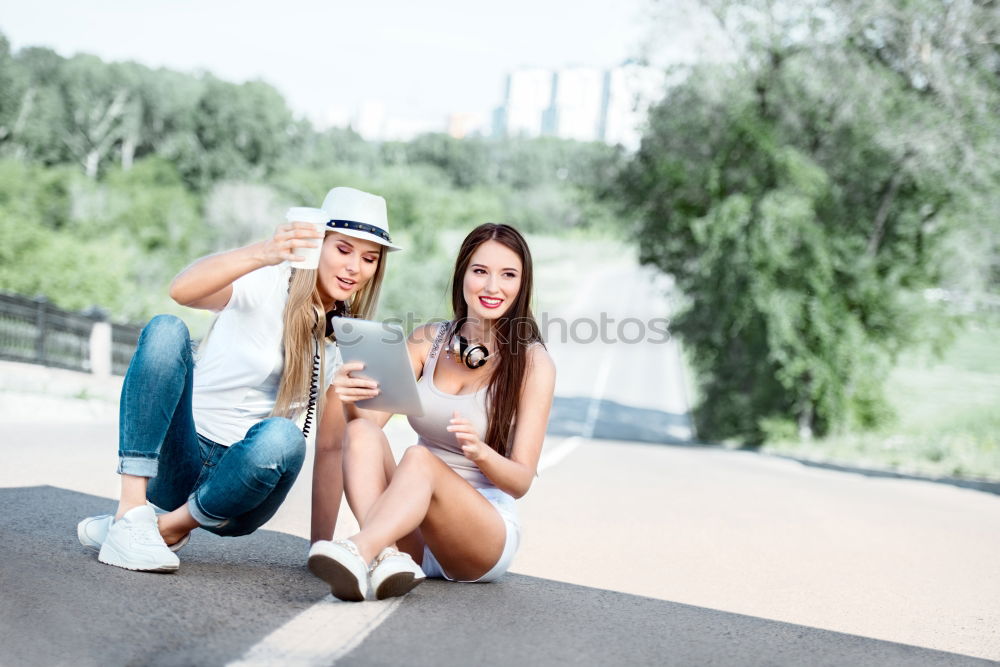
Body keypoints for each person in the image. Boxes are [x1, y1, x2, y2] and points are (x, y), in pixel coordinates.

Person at [76, 186, 400, 572]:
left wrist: (321, 549)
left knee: (285, 436)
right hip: (183, 459)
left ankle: (163, 529)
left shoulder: (344, 339)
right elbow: (181, 291)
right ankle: (130, 516)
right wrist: (263, 252)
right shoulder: (267, 282)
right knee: (165, 330)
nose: (354, 268)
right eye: (343, 250)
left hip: (244, 487)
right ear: (317, 244)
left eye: (368, 259)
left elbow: (330, 450)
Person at [308, 223, 556, 601]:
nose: (492, 287)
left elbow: (520, 482)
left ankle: (361, 549)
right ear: (462, 276)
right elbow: (366, 430)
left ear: (522, 285)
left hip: (479, 537)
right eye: (480, 271)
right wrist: (348, 398)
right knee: (360, 434)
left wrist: (481, 453)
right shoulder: (429, 340)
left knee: (419, 457)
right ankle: (388, 556)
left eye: (508, 275)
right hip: (413, 529)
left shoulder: (534, 363)